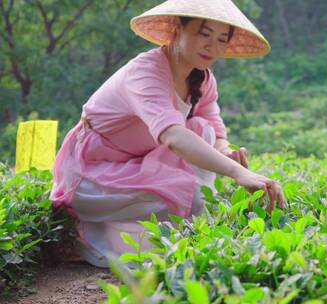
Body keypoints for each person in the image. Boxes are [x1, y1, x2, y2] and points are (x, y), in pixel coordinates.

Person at [50, 0, 286, 267]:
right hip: (92, 178)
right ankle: (95, 230)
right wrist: (238, 173)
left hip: (139, 167)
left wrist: (226, 153)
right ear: (177, 28)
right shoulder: (145, 71)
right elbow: (173, 137)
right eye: (204, 34)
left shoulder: (203, 79)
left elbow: (215, 129)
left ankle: (174, 223)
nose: (212, 46)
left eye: (222, 39)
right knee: (191, 193)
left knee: (202, 132)